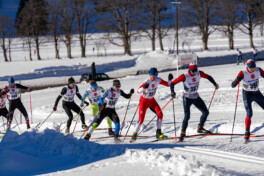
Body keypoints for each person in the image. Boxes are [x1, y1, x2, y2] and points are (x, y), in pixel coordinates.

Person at [170, 62, 219, 141]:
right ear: (189, 70)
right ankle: (183, 133)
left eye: (195, 70)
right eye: (193, 71)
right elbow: (172, 83)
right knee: (187, 116)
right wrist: (172, 92)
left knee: (205, 112)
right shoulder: (184, 76)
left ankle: (200, 128)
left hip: (195, 96)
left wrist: (215, 84)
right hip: (187, 97)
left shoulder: (199, 73)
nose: (194, 73)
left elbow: (209, 77)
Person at [130, 68, 173, 142]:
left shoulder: (158, 80)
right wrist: (143, 88)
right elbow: (137, 92)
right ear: (150, 75)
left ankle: (158, 134)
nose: (155, 77)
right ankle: (134, 135)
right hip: (144, 101)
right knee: (141, 120)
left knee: (160, 114)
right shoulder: (147, 81)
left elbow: (168, 84)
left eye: (156, 75)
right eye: (153, 75)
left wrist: (170, 79)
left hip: (152, 101)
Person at [231, 59, 264, 141]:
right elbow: (233, 85)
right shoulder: (243, 72)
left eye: (254, 68)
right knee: (249, 113)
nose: (253, 70)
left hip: (256, 93)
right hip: (247, 94)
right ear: (247, 67)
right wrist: (237, 80)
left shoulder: (258, 70)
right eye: (251, 68)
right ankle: (247, 131)